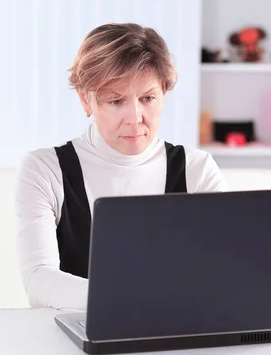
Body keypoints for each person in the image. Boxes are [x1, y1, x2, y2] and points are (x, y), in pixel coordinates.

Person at [15, 23, 227, 312]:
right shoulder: (45, 170)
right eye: (116, 101)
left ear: (164, 91)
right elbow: (39, 282)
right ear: (84, 98)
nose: (135, 118)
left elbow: (222, 273)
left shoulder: (197, 170)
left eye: (148, 98)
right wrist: (133, 300)